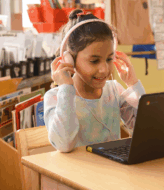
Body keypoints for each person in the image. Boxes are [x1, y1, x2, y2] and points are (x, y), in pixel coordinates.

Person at [44, 9, 146, 153]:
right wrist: (66, 88)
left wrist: (133, 84)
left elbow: (145, 132)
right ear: (70, 60)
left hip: (112, 171)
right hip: (76, 174)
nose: (104, 69)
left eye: (109, 59)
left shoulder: (114, 90)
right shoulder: (55, 97)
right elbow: (64, 144)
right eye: (94, 61)